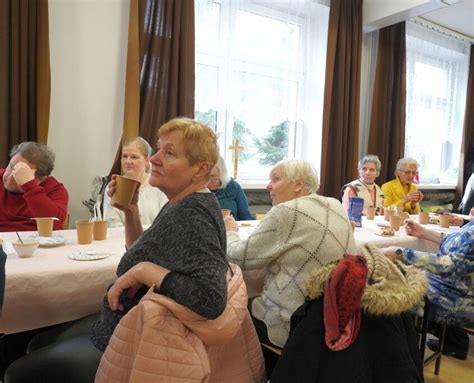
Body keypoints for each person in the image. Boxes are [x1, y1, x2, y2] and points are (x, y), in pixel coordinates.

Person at [5, 118, 229, 382]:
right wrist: (131, 210)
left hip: (141, 336)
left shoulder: (194, 212)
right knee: (36, 342)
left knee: (17, 372)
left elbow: (211, 299)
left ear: (200, 169)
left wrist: (145, 271)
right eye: (158, 149)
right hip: (125, 320)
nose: (154, 159)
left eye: (169, 154)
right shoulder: (178, 204)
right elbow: (144, 252)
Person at [224, 159, 356, 350]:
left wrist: (230, 231)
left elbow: (239, 257)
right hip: (334, 320)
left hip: (291, 323)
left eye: (275, 179)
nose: (268, 185)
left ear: (299, 184)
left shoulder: (285, 212)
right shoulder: (334, 204)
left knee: (231, 309)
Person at [382, 219, 473, 360]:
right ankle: (403, 352)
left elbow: (451, 265)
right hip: (454, 286)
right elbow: (458, 243)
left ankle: (401, 358)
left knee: (395, 288)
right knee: (399, 278)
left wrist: (401, 253)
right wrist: (424, 232)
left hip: (462, 298)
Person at [0, 142, 68, 232]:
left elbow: (53, 224)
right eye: (11, 167)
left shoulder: (55, 190)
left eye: (21, 173)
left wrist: (29, 186)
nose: (10, 177)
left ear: (41, 179)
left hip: (37, 242)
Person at [104, 137, 167, 227]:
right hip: (122, 239)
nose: (128, 161)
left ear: (147, 159)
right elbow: (112, 223)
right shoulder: (113, 187)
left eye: (134, 157)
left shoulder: (158, 185)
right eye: (125, 156)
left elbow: (164, 220)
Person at [208, 156, 254, 220]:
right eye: (206, 176)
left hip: (231, 227)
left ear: (222, 174)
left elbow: (244, 214)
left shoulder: (233, 187)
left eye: (213, 176)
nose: (208, 180)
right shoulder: (195, 188)